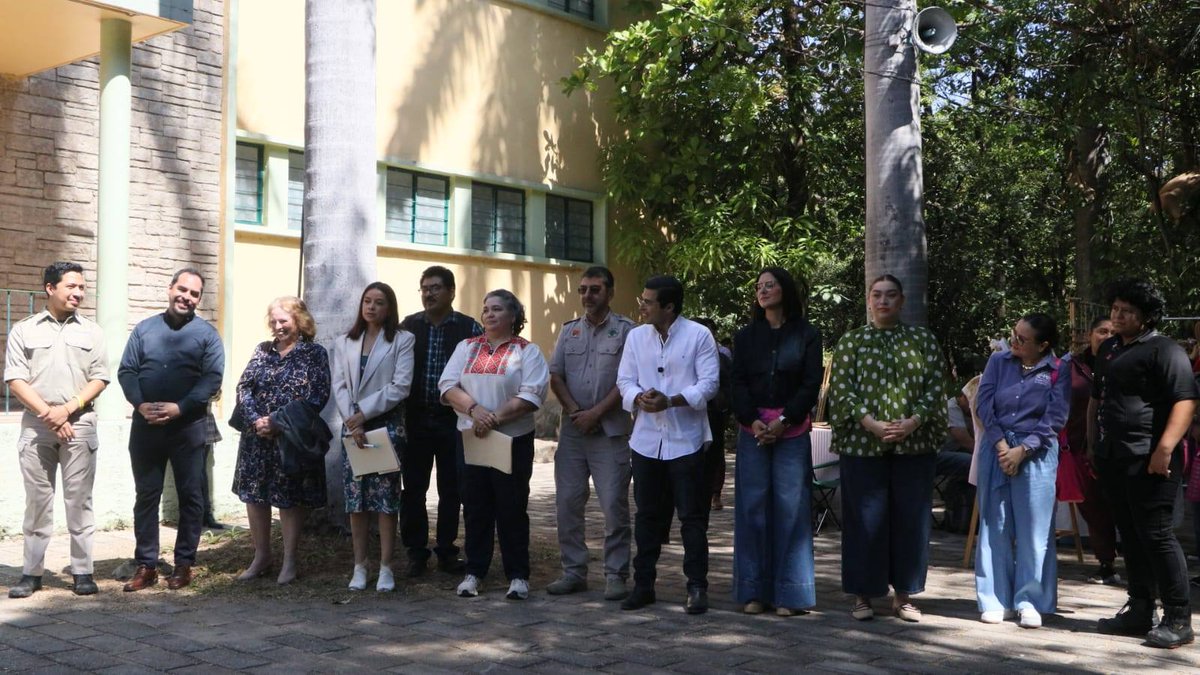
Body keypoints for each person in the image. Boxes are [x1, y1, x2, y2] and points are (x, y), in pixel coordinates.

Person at [827, 274, 945, 622]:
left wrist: (913, 422)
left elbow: (935, 386)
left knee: (911, 520)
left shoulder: (922, 340)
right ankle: (863, 595)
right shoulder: (852, 342)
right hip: (863, 446)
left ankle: (904, 596)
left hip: (914, 444)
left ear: (902, 301)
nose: (883, 301)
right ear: (868, 300)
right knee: (864, 521)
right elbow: (843, 390)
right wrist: (871, 424)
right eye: (877, 295)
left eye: (891, 295)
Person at [1090, 279, 1199, 649]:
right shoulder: (1107, 349)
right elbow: (1098, 397)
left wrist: (1165, 448)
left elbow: (1185, 400)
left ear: (1146, 316)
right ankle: (1139, 609)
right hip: (1113, 457)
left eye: (1128, 311)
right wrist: (1094, 444)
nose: (1118, 316)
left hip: (1150, 458)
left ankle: (1179, 618)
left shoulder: (1165, 350)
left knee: (1157, 535)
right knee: (1130, 534)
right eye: (1115, 309)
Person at [615, 275, 720, 614]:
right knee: (646, 516)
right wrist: (639, 397)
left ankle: (696, 587)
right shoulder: (636, 336)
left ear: (669, 306)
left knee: (691, 517)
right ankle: (643, 585)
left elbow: (709, 385)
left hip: (685, 440)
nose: (641, 305)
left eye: (648, 301)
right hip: (645, 441)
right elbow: (624, 380)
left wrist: (671, 401)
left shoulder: (698, 335)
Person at [4, 262, 109, 599]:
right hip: (37, 427)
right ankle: (31, 573)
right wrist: (50, 413)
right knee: (38, 501)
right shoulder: (24, 329)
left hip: (80, 424)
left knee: (79, 501)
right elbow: (15, 379)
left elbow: (100, 377)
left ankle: (82, 572)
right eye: (71, 286)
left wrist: (68, 409)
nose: (78, 293)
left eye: (81, 287)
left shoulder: (92, 331)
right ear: (50, 288)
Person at [117, 268, 224, 592]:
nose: (186, 297)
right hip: (145, 427)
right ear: (170, 289)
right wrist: (139, 404)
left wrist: (181, 407)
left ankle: (184, 564)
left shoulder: (207, 335)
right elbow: (127, 371)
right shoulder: (144, 330)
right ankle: (146, 565)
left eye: (194, 294)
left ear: (198, 299)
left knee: (192, 497)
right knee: (146, 496)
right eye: (182, 290)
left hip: (188, 427)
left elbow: (212, 378)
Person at [439, 290, 549, 600]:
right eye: (485, 308)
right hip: (472, 437)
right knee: (475, 505)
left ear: (513, 316)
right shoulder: (467, 347)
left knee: (511, 506)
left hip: (511, 439)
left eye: (497, 309)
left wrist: (493, 419)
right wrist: (476, 411)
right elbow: (447, 385)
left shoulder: (527, 352)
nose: (489, 314)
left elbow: (531, 395)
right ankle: (474, 572)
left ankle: (517, 575)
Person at [730, 267, 822, 616]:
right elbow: (736, 383)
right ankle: (754, 592)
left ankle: (792, 595)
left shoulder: (807, 334)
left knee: (791, 509)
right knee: (753, 508)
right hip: (752, 429)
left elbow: (810, 383)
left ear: (785, 289)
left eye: (770, 285)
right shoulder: (745, 337)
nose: (763, 290)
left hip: (791, 431)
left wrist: (784, 421)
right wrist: (753, 420)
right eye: (759, 287)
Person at [974, 313, 1071, 629]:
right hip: (997, 448)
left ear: (1043, 345)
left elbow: (1055, 417)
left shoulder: (1058, 370)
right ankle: (994, 598)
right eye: (1014, 334)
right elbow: (984, 404)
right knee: (994, 524)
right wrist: (1003, 446)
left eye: (1022, 339)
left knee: (1034, 530)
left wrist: (1023, 449)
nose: (1013, 341)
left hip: (1037, 453)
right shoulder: (998, 362)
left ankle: (1030, 600)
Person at [546, 266, 635, 600]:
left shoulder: (628, 331)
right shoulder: (569, 331)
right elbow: (555, 376)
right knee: (567, 504)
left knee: (614, 505)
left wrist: (596, 413)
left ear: (609, 293)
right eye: (583, 290)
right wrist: (575, 412)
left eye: (595, 290)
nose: (587, 296)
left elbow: (627, 380)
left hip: (610, 432)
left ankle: (616, 574)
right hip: (573, 433)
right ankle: (573, 572)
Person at [232, 296, 331, 585]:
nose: (278, 326)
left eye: (283, 321)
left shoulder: (314, 353)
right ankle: (261, 556)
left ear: (299, 321)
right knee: (255, 496)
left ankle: (289, 560)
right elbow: (244, 388)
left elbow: (317, 396)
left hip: (291, 438)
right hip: (257, 439)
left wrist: (278, 421)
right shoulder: (262, 351)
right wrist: (256, 420)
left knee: (289, 498)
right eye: (273, 321)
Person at [400, 266, 482, 577]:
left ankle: (447, 551)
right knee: (413, 489)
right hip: (416, 418)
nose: (429, 294)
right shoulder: (408, 327)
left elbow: (476, 372)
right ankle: (415, 552)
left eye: (435, 288)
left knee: (452, 489)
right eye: (424, 288)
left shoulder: (468, 327)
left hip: (453, 420)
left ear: (451, 292)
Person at [332, 282, 415, 592]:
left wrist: (363, 413)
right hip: (353, 428)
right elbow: (339, 385)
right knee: (357, 501)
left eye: (379, 302)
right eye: (367, 301)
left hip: (386, 426)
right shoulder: (345, 341)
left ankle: (386, 566)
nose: (371, 307)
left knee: (385, 500)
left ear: (389, 308)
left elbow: (400, 386)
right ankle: (359, 565)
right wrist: (352, 420)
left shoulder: (402, 340)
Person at [1063, 317, 1120, 585]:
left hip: (1120, 446)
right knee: (1094, 508)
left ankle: (1140, 568)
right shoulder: (1072, 366)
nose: (1107, 335)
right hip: (1079, 448)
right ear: (1090, 334)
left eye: (1112, 331)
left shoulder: (1126, 361)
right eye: (1102, 331)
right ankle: (1106, 564)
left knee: (1123, 507)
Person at [694, 317, 732, 511]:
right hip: (688, 414)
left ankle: (714, 493)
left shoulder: (722, 356)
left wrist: (722, 405)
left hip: (713, 414)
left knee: (715, 455)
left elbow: (729, 386)